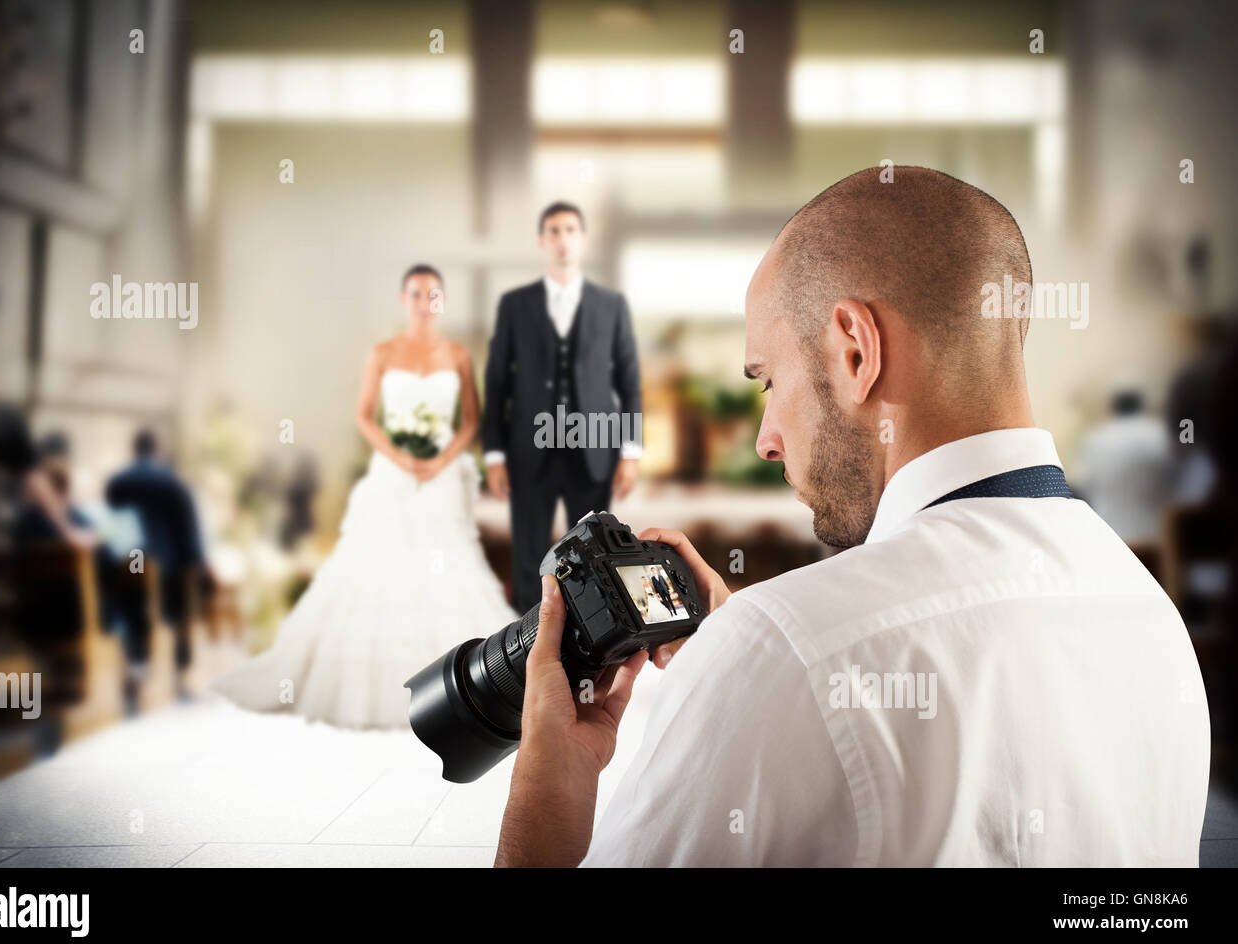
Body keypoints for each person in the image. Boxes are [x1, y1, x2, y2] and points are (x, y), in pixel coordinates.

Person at [493, 166, 1211, 866]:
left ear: (856, 350)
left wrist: (540, 816)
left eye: (770, 380)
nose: (766, 437)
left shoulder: (778, 652)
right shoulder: (1154, 616)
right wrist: (759, 652)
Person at [212, 265, 515, 729]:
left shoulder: (456, 355)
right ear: (403, 299)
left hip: (441, 474)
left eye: (433, 294)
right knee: (378, 562)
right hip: (393, 472)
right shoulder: (382, 353)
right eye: (416, 293)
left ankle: (462, 684)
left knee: (443, 563)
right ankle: (375, 685)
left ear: (441, 301)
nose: (424, 302)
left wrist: (439, 459)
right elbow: (365, 417)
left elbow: (471, 421)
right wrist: (401, 456)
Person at [483, 201, 642, 613]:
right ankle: (523, 647)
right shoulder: (515, 305)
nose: (562, 239)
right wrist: (495, 454)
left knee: (593, 549)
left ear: (582, 239)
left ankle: (594, 635)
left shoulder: (611, 305)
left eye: (570, 230)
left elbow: (628, 379)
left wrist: (630, 452)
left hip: (594, 448)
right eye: (553, 231)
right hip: (528, 449)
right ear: (541, 241)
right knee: (529, 554)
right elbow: (497, 380)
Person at [107, 429, 210, 710]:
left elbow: (111, 523)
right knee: (181, 615)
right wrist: (197, 562)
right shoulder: (172, 482)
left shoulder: (117, 483)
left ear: (134, 449)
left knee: (133, 610)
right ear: (156, 450)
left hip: (130, 563)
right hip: (168, 568)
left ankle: (137, 665)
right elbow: (189, 528)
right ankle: (181, 677)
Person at [1074, 387, 1173, 543]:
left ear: (1113, 408)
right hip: (1156, 536)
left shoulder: (1095, 439)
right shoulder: (1159, 434)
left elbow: (1082, 486)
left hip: (1110, 533)